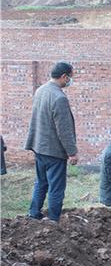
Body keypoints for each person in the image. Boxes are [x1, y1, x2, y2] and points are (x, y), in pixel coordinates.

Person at [24, 62, 78, 223]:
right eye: (70, 77)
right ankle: (53, 218)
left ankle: (34, 213)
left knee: (41, 182)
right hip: (53, 150)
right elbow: (64, 129)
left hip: (38, 146)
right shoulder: (59, 98)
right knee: (56, 186)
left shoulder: (41, 90)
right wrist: (72, 152)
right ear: (64, 76)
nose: (70, 81)